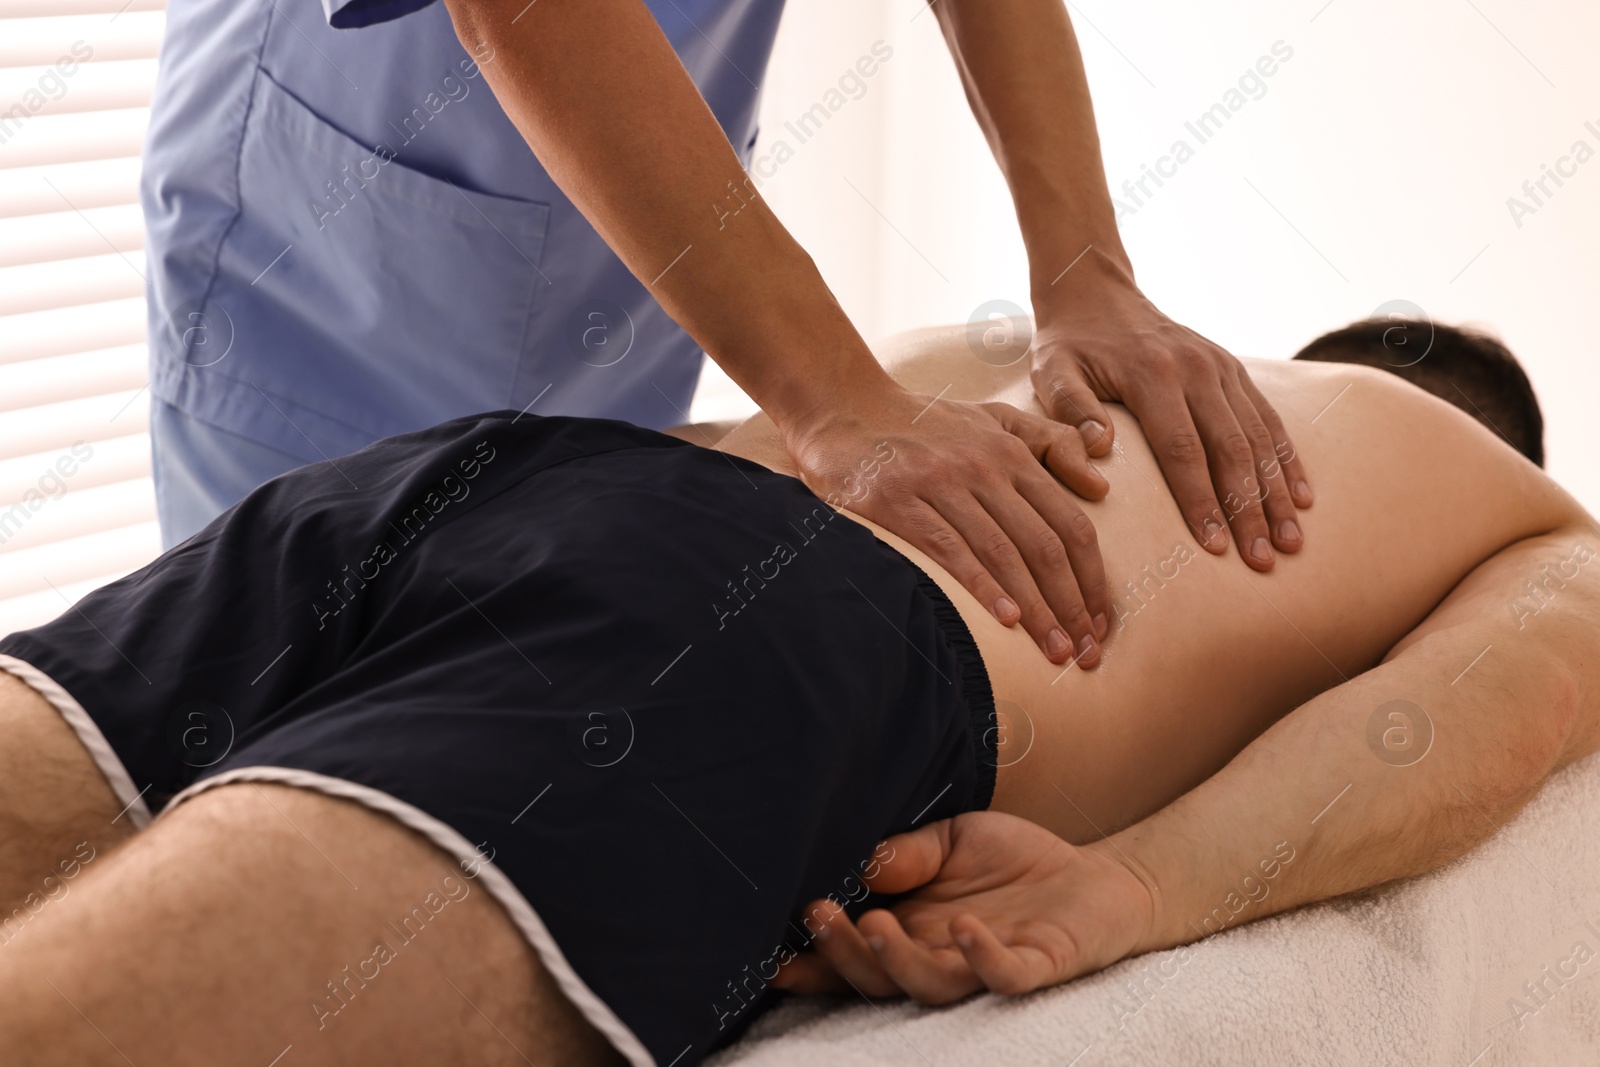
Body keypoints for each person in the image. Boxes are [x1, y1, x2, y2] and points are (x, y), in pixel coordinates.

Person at [0, 322, 1592, 1066]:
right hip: (737, 613)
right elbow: (1502, 702)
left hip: (475, 480)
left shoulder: (1016, 343)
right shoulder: (1499, 497)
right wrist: (1129, 885)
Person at [143, 0, 1314, 667]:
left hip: (626, 237)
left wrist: (1085, 271)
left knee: (545, 674)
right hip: (335, 239)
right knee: (290, 724)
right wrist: (831, 395)